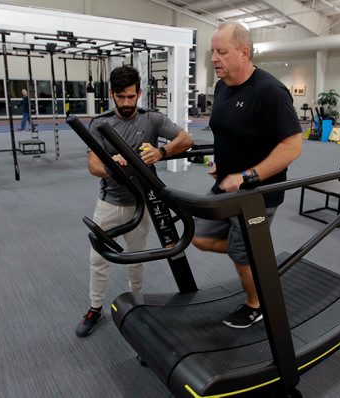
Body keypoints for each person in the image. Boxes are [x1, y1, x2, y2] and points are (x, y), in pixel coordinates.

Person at [192, 22, 303, 329]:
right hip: (225, 185)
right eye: (212, 51)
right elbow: (230, 131)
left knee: (241, 256)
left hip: (257, 193)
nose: (214, 58)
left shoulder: (270, 91)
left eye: (221, 52)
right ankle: (257, 253)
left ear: (244, 52)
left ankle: (256, 304)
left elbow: (292, 146)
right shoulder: (222, 86)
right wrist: (223, 161)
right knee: (199, 237)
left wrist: (247, 175)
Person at [76, 65, 193, 337]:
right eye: (121, 97)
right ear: (111, 94)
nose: (127, 103)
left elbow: (185, 139)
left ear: (139, 92)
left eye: (131, 96)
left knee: (136, 257)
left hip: (142, 203)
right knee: (98, 259)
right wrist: (112, 165)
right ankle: (95, 308)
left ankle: (136, 302)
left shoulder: (151, 119)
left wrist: (161, 152)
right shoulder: (100, 124)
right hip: (109, 201)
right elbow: (93, 165)